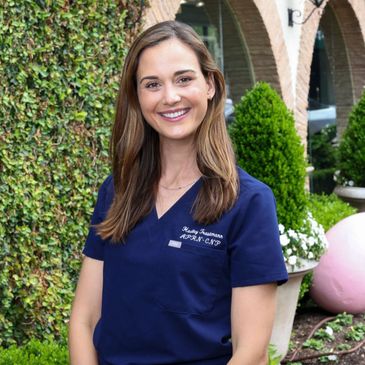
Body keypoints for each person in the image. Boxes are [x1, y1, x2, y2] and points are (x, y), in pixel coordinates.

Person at [69, 20, 288, 365]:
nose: (170, 97)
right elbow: (84, 319)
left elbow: (252, 352)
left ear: (210, 85)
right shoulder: (117, 191)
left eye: (184, 79)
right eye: (152, 84)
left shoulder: (247, 203)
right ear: (137, 97)